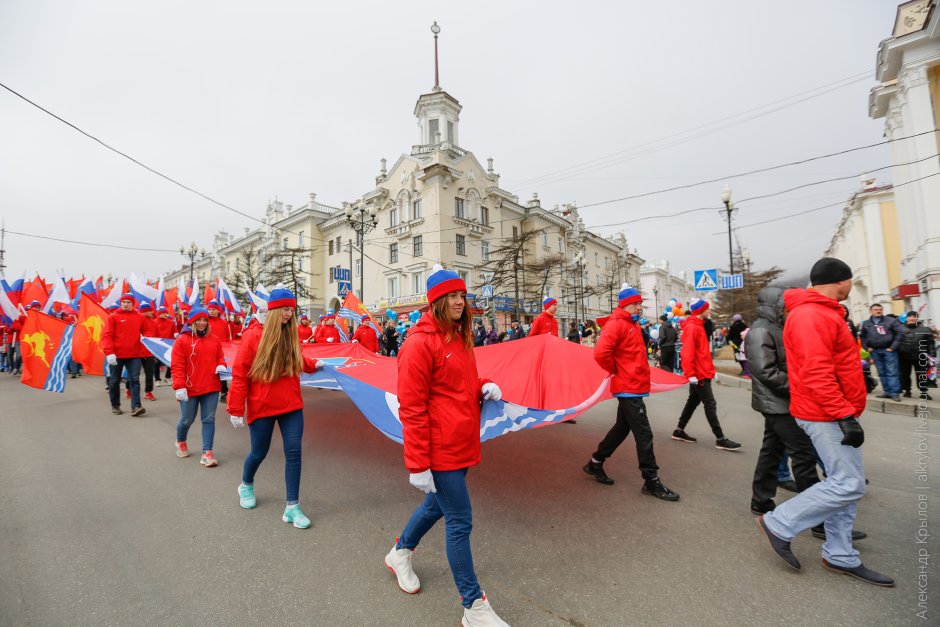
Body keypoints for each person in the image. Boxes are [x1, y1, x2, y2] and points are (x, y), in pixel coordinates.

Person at [383, 265, 510, 626]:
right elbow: (412, 407)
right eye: (452, 296)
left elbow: (457, 384)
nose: (459, 301)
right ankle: (474, 606)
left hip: (462, 441)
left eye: (461, 295)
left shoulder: (458, 336)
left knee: (435, 507)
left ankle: (400, 552)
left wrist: (483, 385)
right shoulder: (419, 343)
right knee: (459, 521)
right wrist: (418, 463)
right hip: (439, 450)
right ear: (437, 301)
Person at [757, 257, 893, 586]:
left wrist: (859, 382)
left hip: (831, 408)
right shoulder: (810, 314)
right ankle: (779, 523)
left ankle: (840, 554)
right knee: (849, 484)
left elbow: (833, 361)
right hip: (824, 412)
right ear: (841, 281)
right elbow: (816, 372)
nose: (850, 286)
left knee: (845, 482)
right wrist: (844, 413)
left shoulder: (821, 312)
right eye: (849, 281)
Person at [227, 287, 322, 529]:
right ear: (273, 310)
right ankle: (246, 484)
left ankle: (292, 506)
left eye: (292, 308)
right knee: (259, 452)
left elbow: (297, 359)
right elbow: (239, 374)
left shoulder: (291, 334)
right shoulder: (253, 336)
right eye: (285, 309)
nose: (289, 314)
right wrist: (236, 408)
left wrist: (315, 364)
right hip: (262, 406)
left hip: (291, 404)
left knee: (294, 453)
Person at [582, 285, 679, 501]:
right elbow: (600, 353)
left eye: (640, 304)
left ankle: (595, 463)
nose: (639, 307)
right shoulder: (617, 324)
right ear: (625, 304)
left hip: (634, 385)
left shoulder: (631, 324)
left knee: (621, 429)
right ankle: (651, 480)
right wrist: (617, 370)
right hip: (627, 387)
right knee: (644, 433)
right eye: (636, 304)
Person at [745, 287, 822, 515]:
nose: (789, 307)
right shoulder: (760, 331)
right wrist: (800, 386)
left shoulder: (776, 327)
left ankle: (760, 499)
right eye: (784, 303)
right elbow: (765, 371)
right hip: (778, 403)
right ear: (774, 305)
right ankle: (817, 517)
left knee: (772, 451)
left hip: (782, 400)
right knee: (803, 456)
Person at [672, 299, 741, 451]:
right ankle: (720, 438)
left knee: (693, 402)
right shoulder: (693, 327)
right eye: (707, 309)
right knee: (710, 404)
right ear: (700, 311)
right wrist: (690, 373)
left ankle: (679, 430)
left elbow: (702, 353)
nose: (709, 311)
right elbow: (687, 352)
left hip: (702, 372)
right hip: (699, 374)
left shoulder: (699, 326)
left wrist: (712, 370)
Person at [171, 307, 226, 466]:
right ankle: (181, 440)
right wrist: (179, 386)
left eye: (204, 320)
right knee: (187, 419)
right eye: (198, 320)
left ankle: (207, 453)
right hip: (189, 388)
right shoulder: (182, 340)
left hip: (210, 386)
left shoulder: (214, 339)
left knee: (209, 419)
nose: (202, 323)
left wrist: (221, 364)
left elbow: (220, 357)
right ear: (192, 322)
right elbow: (177, 366)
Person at [102, 293, 147, 416]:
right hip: (116, 355)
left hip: (134, 354)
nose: (126, 304)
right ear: (121, 303)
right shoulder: (113, 317)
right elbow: (107, 336)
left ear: (133, 304)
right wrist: (109, 353)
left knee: (134, 380)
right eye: (124, 302)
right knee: (114, 381)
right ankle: (115, 405)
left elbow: (148, 332)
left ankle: (136, 406)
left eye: (128, 302)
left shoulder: (140, 317)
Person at [859, 303, 902, 401]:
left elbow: (899, 333)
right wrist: (866, 347)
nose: (878, 311)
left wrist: (893, 347)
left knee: (892, 371)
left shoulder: (891, 321)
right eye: (876, 309)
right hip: (875, 351)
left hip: (889, 350)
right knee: (881, 372)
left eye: (880, 309)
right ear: (871, 311)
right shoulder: (866, 323)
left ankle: (894, 393)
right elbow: (862, 337)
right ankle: (887, 391)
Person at [898, 311, 935, 400]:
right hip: (904, 356)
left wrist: (932, 354)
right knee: (905, 375)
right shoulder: (899, 329)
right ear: (906, 318)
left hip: (920, 356)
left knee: (921, 374)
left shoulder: (925, 329)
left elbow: (930, 344)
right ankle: (907, 391)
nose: (912, 318)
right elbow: (896, 341)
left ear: (917, 318)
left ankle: (923, 392)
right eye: (910, 316)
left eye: (914, 316)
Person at [138, 301, 159, 401]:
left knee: (150, 373)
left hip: (149, 351)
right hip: (137, 352)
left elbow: (156, 335)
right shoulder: (137, 320)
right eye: (149, 310)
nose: (152, 312)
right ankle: (129, 389)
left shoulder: (153, 321)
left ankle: (148, 392)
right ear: (144, 311)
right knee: (134, 374)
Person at [154, 306, 178, 386]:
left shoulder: (170, 322)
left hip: (168, 344)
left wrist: (176, 334)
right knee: (156, 363)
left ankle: (167, 377)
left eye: (165, 312)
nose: (164, 314)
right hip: (158, 344)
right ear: (159, 313)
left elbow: (174, 331)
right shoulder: (154, 322)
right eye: (163, 313)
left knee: (170, 361)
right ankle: (157, 379)